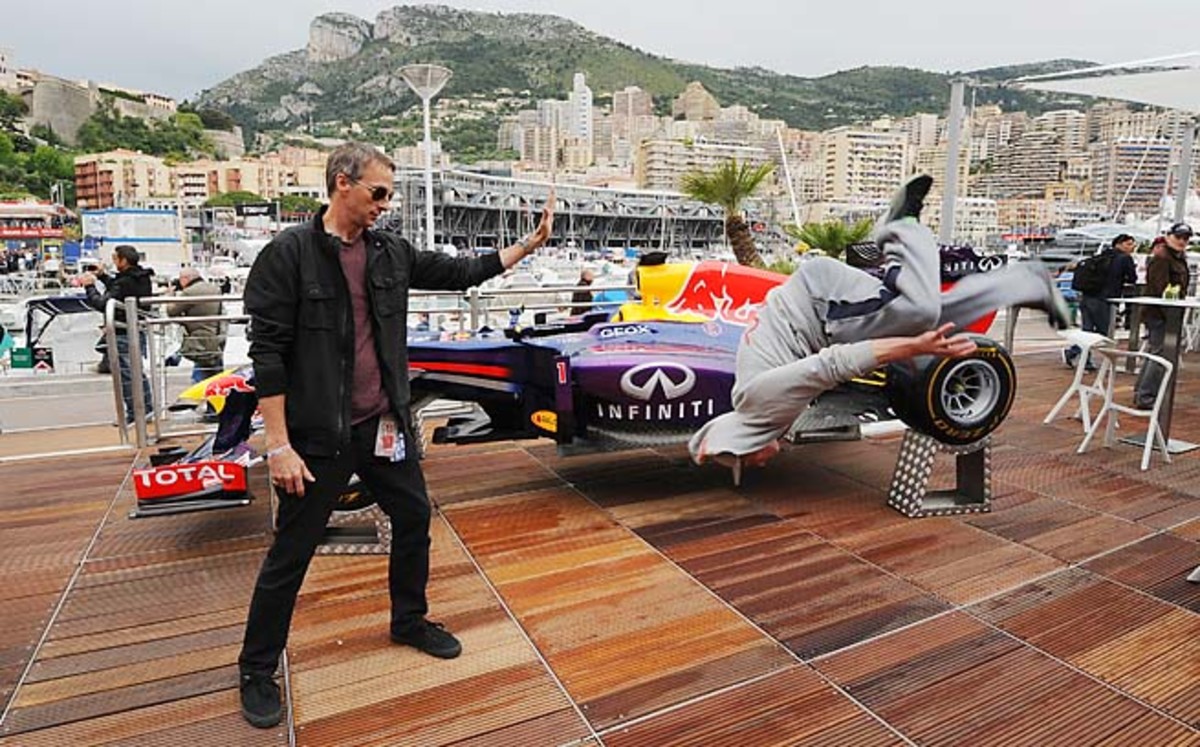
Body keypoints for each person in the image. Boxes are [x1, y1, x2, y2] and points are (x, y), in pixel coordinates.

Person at [237, 142, 555, 729]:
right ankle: (256, 668)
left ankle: (408, 621)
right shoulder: (289, 255)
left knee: (413, 517)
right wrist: (278, 446)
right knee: (293, 549)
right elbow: (269, 358)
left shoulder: (389, 252)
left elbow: (460, 272)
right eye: (378, 192)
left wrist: (527, 247)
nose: (386, 204)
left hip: (382, 423)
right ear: (341, 184)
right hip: (316, 437)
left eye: (390, 194)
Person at [688, 175, 1070, 472]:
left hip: (818, 303)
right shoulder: (760, 410)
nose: (760, 463)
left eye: (745, 460)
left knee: (919, 312)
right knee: (934, 320)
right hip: (818, 313)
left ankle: (898, 227)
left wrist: (914, 349)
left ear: (743, 441)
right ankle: (1024, 283)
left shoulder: (761, 405)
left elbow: (834, 363)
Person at [77, 245, 155, 423]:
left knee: (126, 375)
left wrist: (90, 287)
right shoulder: (141, 278)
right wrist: (103, 277)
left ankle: (134, 415)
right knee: (138, 373)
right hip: (137, 329)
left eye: (115, 259)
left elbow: (103, 303)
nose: (114, 262)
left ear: (123, 261)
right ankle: (147, 410)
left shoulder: (126, 281)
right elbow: (120, 290)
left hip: (122, 332)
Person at [1133, 222, 1192, 409]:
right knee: (1159, 355)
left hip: (1169, 313)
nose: (1182, 241)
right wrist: (1170, 315)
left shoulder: (1178, 257)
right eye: (1179, 237)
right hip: (1159, 314)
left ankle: (1142, 393)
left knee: (1154, 353)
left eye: (1186, 238)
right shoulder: (1162, 257)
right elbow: (1160, 288)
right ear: (1169, 236)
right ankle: (1146, 396)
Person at [1063, 233, 1138, 369]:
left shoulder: (1102, 255)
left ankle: (1082, 358)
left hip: (1087, 296)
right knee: (1102, 333)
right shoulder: (1125, 258)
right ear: (1119, 244)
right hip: (1104, 299)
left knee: (1087, 331)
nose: (1132, 247)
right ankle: (1075, 353)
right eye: (1129, 244)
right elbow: (1132, 278)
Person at [168, 267, 227, 383]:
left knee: (201, 374)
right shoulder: (214, 289)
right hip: (216, 336)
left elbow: (172, 311)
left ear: (186, 278)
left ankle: (198, 396)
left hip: (199, 339)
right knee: (215, 373)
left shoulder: (189, 292)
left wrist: (170, 296)